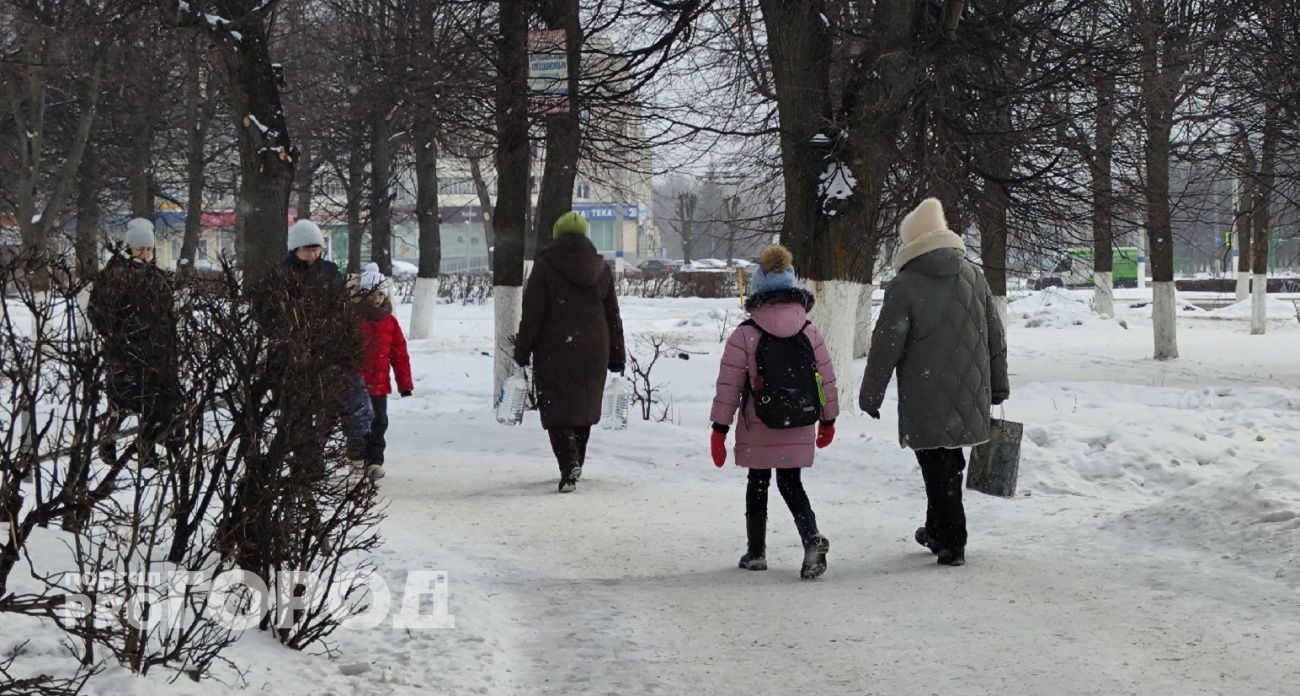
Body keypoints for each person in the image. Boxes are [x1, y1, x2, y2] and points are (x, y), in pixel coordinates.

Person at [858, 198, 1009, 567]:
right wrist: (999, 384)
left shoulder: (905, 285)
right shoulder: (974, 276)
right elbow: (995, 334)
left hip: (926, 394)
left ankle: (952, 540)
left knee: (935, 463)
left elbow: (886, 345)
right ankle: (936, 529)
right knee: (948, 460)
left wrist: (870, 395)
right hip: (969, 391)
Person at [709, 244, 839, 580]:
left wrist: (719, 429)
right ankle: (811, 538)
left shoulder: (745, 334)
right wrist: (828, 419)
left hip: (759, 422)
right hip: (799, 419)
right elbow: (825, 378)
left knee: (758, 482)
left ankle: (756, 552)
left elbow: (729, 387)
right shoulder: (809, 331)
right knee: (791, 481)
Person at [514, 211, 625, 493]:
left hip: (555, 347)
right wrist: (617, 354)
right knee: (583, 407)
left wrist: (523, 349)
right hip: (593, 348)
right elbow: (613, 315)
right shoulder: (600, 268)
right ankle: (575, 463)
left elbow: (533, 313)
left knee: (556, 408)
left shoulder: (545, 266)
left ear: (557, 234)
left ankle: (568, 463)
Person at [87, 217, 184, 450]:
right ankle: (111, 443)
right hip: (126, 353)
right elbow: (98, 312)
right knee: (124, 402)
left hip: (157, 354)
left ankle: (157, 449)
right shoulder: (114, 276)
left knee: (160, 403)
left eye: (149, 248)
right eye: (141, 248)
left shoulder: (158, 278)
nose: (145, 253)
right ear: (129, 247)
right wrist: (123, 335)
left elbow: (166, 316)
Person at [349, 263, 413, 480]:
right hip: (357, 384)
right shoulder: (354, 321)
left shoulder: (390, 322)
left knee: (379, 421)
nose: (376, 299)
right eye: (371, 294)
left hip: (380, 384)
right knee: (358, 422)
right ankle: (357, 458)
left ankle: (375, 461)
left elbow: (399, 354)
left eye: (380, 294)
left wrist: (404, 383)